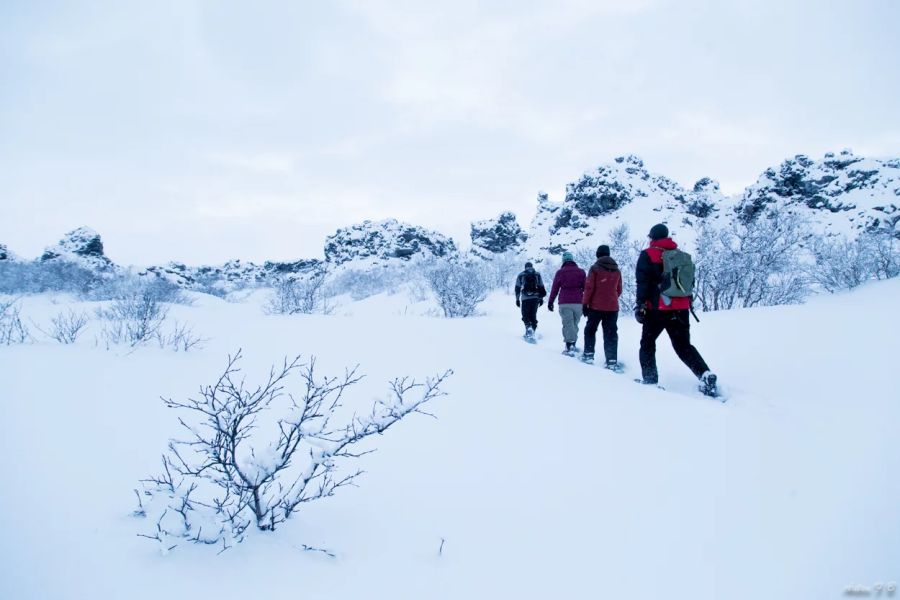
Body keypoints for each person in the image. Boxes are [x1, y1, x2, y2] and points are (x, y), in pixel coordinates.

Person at [635, 223, 718, 396]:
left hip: (657, 308)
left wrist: (640, 305)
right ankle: (704, 374)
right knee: (683, 345)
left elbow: (642, 282)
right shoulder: (681, 256)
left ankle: (650, 380)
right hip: (681, 308)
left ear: (653, 237)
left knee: (647, 343)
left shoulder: (648, 254)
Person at [581, 245, 622, 369]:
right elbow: (619, 290)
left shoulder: (595, 268)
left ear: (597, 255)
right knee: (611, 334)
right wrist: (611, 298)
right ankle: (611, 361)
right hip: (612, 307)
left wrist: (585, 303)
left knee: (590, 330)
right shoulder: (617, 270)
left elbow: (589, 288)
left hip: (596, 307)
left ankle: (588, 355)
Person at [547, 251, 587, 355]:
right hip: (579, 302)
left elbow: (555, 288)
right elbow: (586, 288)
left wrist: (550, 301)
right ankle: (573, 344)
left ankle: (570, 346)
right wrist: (587, 303)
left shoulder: (560, 272)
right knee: (574, 324)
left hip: (565, 302)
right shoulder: (581, 272)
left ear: (563, 261)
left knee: (568, 324)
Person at [514, 261, 546, 340]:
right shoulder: (537, 274)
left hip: (525, 299)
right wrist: (541, 298)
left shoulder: (521, 275)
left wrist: (517, 299)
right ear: (532, 266)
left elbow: (517, 288)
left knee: (525, 315)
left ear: (525, 267)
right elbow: (541, 286)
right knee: (533, 315)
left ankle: (528, 330)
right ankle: (532, 332)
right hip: (535, 298)